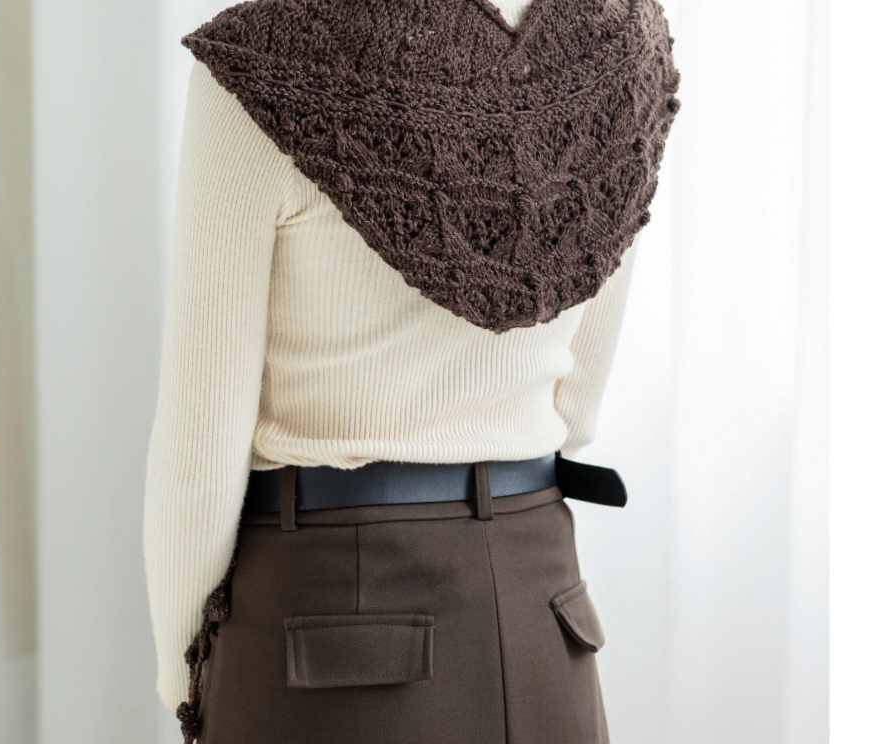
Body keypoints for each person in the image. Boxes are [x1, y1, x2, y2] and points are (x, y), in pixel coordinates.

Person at [142, 1, 680, 742]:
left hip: (328, 622)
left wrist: (186, 678)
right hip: (542, 610)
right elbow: (577, 405)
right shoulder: (617, 43)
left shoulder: (265, 61)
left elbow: (200, 448)